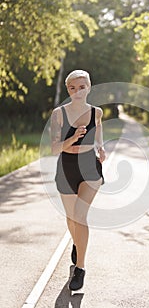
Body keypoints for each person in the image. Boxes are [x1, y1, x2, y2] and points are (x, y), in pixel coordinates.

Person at [50, 70, 105, 291]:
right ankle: (77, 243)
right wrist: (72, 137)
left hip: (90, 167)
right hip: (66, 168)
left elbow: (98, 130)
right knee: (72, 218)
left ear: (89, 87)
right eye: (72, 88)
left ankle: (80, 268)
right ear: (68, 90)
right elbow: (55, 148)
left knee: (80, 216)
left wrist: (101, 146)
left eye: (82, 87)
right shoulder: (59, 114)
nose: (77, 92)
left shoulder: (97, 112)